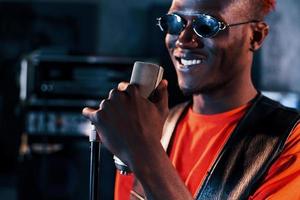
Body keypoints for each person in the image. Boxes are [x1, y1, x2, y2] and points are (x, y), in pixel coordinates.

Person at [83, 0, 300, 199]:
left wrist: (143, 150)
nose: (183, 40)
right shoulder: (149, 129)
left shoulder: (291, 141)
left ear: (256, 36)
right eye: (174, 23)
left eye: (206, 25)